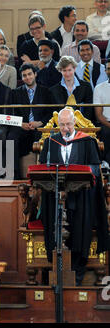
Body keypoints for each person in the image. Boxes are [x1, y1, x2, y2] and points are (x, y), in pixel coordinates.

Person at [39, 107, 109, 285]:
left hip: (80, 196)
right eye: (62, 125)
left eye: (68, 124)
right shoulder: (50, 142)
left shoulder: (87, 142)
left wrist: (79, 172)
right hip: (56, 196)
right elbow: (42, 168)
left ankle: (77, 270)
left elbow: (95, 168)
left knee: (78, 232)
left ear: (74, 123)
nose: (65, 128)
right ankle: (56, 269)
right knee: (56, 232)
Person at [8, 63, 53, 179]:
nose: (27, 77)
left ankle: (43, 174)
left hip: (39, 126)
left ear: (35, 74)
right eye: (24, 75)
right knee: (11, 137)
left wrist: (40, 122)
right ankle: (14, 174)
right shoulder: (15, 92)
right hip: (22, 127)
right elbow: (11, 113)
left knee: (45, 136)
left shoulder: (46, 91)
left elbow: (51, 112)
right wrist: (20, 123)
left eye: (29, 74)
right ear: (21, 78)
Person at [49, 55, 94, 122]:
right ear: (60, 70)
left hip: (83, 124)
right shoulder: (53, 90)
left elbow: (89, 110)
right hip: (61, 125)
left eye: (69, 70)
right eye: (64, 70)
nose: (67, 74)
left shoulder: (86, 86)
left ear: (74, 68)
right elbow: (54, 112)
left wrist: (80, 122)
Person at [93, 59, 110, 164]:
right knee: (106, 132)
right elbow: (99, 115)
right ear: (105, 71)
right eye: (108, 69)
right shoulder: (99, 88)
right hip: (106, 123)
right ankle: (106, 165)